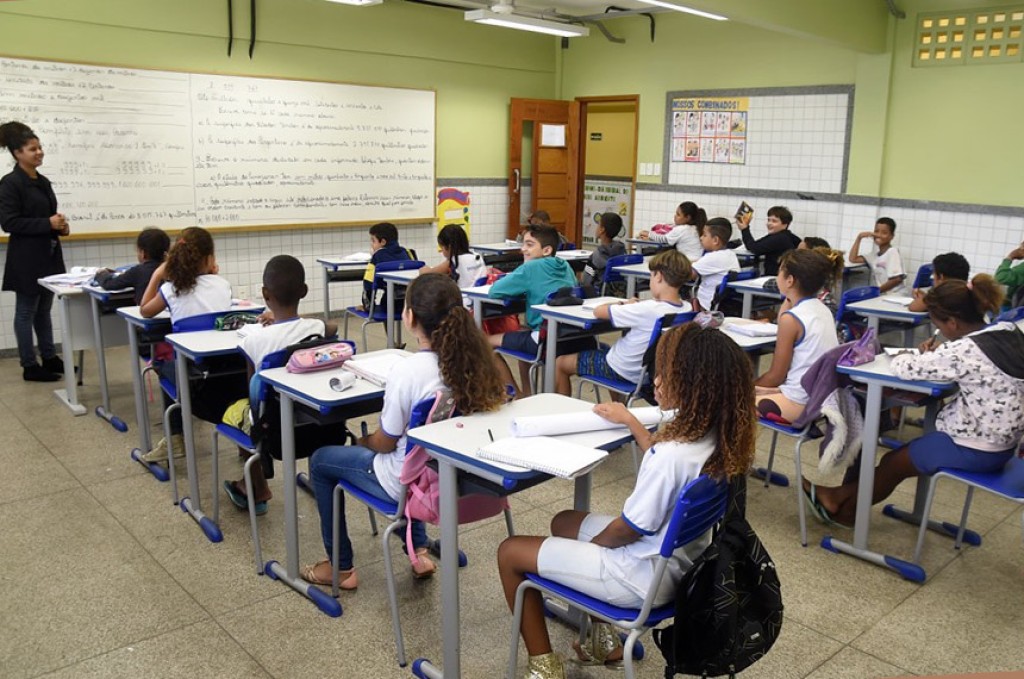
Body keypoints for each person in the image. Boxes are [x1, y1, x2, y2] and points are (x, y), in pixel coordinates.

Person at [497, 321, 756, 679]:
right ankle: (604, 641)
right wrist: (633, 423)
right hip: (683, 567)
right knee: (564, 521)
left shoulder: (671, 455)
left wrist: (596, 548)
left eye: (668, 375)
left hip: (638, 578)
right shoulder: (716, 436)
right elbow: (667, 467)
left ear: (696, 386)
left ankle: (544, 666)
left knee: (510, 552)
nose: (657, 382)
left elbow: (627, 530)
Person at [301, 274, 506, 589]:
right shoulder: (477, 362)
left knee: (320, 461)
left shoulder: (408, 371)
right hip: (450, 476)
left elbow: (385, 443)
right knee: (414, 454)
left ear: (409, 317)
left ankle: (340, 567)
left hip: (406, 484)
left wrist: (364, 441)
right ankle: (418, 550)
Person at [807, 275, 1024, 527]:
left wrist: (918, 355)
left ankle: (841, 507)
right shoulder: (1005, 330)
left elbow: (904, 367)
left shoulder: (964, 350)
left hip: (977, 448)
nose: (940, 332)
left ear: (952, 323)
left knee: (893, 463)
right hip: (1004, 444)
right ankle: (840, 503)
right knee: (899, 459)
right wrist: (939, 355)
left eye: (938, 325)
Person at [221, 255, 338, 514]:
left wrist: (275, 323)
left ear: (265, 294)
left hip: (274, 433)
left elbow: (254, 392)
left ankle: (253, 484)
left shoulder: (253, 342)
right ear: (304, 291)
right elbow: (333, 327)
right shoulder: (318, 328)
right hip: (319, 425)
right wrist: (291, 323)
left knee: (236, 411)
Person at [138, 226, 234, 462]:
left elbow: (145, 310)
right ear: (209, 259)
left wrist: (157, 275)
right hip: (224, 374)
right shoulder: (222, 285)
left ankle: (175, 438)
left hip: (191, 378)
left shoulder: (170, 289)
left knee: (162, 364)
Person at [555, 249, 691, 396]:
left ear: (658, 276)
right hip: (649, 372)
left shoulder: (647, 309)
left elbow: (599, 311)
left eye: (651, 276)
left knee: (560, 363)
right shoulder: (687, 308)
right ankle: (617, 406)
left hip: (622, 369)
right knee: (608, 351)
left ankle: (560, 407)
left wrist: (624, 304)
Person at [0, 121, 69, 382]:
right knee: (25, 311)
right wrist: (47, 224)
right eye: (32, 149)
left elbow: (48, 216)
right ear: (17, 153)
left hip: (48, 255)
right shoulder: (10, 183)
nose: (39, 152)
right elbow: (9, 223)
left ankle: (49, 357)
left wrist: (61, 227)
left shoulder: (43, 181)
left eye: (40, 147)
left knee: (44, 310)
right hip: (26, 258)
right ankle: (29, 364)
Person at [487, 224, 577, 397]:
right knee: (523, 333)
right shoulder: (565, 265)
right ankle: (528, 394)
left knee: (483, 343)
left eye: (529, 245)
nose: (523, 249)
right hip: (568, 337)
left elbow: (495, 291)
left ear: (546, 250)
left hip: (544, 340)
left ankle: (517, 395)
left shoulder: (530, 268)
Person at [755, 249, 839, 423]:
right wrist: (789, 296)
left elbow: (776, 376)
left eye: (780, 271)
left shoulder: (792, 319)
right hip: (821, 397)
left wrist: (746, 388)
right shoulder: (821, 308)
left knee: (728, 401)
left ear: (790, 280)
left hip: (799, 403)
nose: (777, 276)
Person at [94, 227, 171, 304]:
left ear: (143, 253)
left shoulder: (138, 271)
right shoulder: (172, 269)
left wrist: (101, 273)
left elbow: (109, 284)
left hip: (145, 309)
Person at [419, 223, 486, 304]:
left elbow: (426, 274)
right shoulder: (477, 256)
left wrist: (424, 268)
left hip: (463, 302)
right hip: (480, 300)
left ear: (449, 247)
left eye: (442, 247)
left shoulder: (454, 261)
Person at [690, 218, 740, 312]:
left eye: (704, 235)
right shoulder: (730, 254)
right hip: (722, 303)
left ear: (715, 240)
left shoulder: (712, 257)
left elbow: (690, 274)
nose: (701, 238)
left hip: (706, 305)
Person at [735, 205, 800, 277]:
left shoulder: (779, 238)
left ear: (785, 224)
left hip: (775, 277)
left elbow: (754, 248)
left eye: (774, 221)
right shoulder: (787, 235)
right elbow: (756, 244)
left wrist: (744, 229)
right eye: (768, 220)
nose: (769, 223)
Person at [362, 221, 412, 311]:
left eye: (373, 241)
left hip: (389, 305)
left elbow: (368, 284)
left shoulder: (377, 256)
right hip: (410, 305)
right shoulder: (408, 252)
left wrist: (368, 307)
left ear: (383, 242)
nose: (371, 244)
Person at [848, 217, 906, 295]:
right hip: (883, 295)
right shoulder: (874, 256)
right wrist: (859, 238)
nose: (879, 235)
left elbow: (897, 279)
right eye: (876, 231)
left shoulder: (892, 252)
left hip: (896, 296)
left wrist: (875, 292)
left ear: (892, 236)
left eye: (884, 233)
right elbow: (853, 259)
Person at [638, 201, 706, 261]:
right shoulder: (696, 228)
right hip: (698, 260)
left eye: (678, 214)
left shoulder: (682, 229)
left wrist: (649, 234)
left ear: (687, 217)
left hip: (687, 262)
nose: (675, 216)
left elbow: (664, 239)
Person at [579, 212, 626, 288]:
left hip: (598, 291)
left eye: (598, 225)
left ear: (602, 230)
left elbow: (586, 281)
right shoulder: (623, 252)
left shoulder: (596, 256)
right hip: (620, 290)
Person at [994, 242, 1024, 308]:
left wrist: (1010, 257)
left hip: (1013, 307)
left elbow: (1001, 278)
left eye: (1020, 248)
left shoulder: (1022, 269)